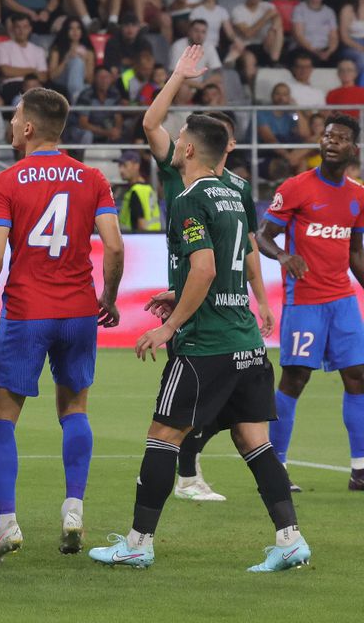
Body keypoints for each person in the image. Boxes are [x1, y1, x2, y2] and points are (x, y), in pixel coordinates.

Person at [89, 113, 310, 572]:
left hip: (205, 346)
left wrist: (169, 327)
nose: (175, 145)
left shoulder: (190, 199)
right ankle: (290, 540)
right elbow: (229, 264)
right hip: (246, 342)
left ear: (188, 149)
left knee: (162, 438)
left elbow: (205, 268)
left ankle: (138, 543)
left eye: (180, 140)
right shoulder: (233, 193)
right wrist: (180, 292)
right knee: (255, 443)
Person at [0, 86, 124, 561]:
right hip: (78, 311)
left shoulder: (6, 182)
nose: (12, 123)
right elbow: (114, 246)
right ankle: (73, 510)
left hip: (27, 312)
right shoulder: (92, 177)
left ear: (30, 127)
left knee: (1, 417)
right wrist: (108, 297)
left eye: (16, 116)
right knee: (75, 408)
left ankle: (7, 525)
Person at [141, 44, 275, 502]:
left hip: (220, 308)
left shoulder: (237, 189)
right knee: (195, 398)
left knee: (199, 397)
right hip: (192, 299)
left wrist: (261, 298)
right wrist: (178, 76)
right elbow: (150, 124)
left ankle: (184, 477)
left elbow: (248, 248)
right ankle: (186, 476)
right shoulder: (179, 173)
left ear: (228, 145)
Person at [258, 113, 364, 492]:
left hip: (343, 301)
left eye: (340, 138)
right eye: (327, 136)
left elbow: (355, 252)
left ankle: (360, 469)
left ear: (353, 149)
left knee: (358, 376)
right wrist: (284, 256)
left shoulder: (357, 195)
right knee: (295, 378)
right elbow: (263, 235)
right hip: (304, 300)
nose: (331, 141)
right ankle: (276, 467)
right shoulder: (297, 187)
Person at [233, 0, 285, 73]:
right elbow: (248, 34)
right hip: (246, 47)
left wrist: (271, 31)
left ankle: (274, 61)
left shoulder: (268, 6)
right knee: (249, 60)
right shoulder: (237, 11)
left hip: (266, 44)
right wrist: (265, 17)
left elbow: (277, 21)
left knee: (278, 29)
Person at [0, 13, 49, 100]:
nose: (21, 31)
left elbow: (43, 77)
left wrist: (15, 71)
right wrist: (32, 70)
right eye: (18, 27)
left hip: (35, 85)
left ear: (30, 29)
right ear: (12, 29)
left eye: (25, 27)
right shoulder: (3, 47)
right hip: (13, 85)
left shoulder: (38, 50)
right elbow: (6, 71)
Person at [291, 0, 340, 68]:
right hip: (304, 48)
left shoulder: (329, 12)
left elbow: (333, 37)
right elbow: (299, 35)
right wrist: (315, 51)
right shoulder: (299, 9)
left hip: (325, 49)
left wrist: (329, 52)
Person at [48, 16, 96, 100]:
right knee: (76, 61)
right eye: (71, 28)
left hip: (80, 82)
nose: (75, 31)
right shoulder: (57, 49)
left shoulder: (89, 52)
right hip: (61, 79)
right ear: (66, 31)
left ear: (82, 31)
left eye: (78, 28)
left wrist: (83, 62)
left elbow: (89, 80)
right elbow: (52, 76)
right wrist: (66, 59)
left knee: (77, 62)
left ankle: (77, 95)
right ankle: (77, 98)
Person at [338, 0, 364, 76]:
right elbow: (344, 37)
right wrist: (360, 47)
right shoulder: (347, 9)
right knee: (362, 57)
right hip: (352, 45)